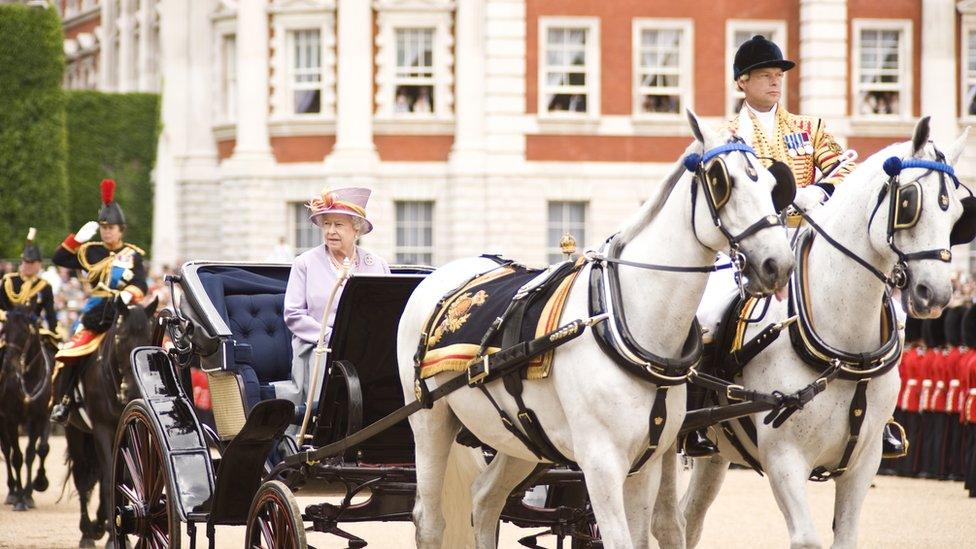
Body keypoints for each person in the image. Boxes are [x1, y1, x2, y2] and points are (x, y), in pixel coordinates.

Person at [49, 179, 147, 424]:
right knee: (70, 352)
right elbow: (59, 258)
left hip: (122, 310)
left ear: (121, 229)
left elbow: (142, 284)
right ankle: (66, 401)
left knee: (145, 344)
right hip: (95, 312)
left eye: (111, 227)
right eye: (103, 227)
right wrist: (76, 240)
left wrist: (129, 293)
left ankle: (149, 394)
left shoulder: (132, 255)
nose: (107, 231)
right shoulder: (89, 251)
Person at [281, 187, 390, 407]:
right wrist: (333, 336)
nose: (330, 231)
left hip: (366, 347)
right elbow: (293, 314)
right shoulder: (305, 263)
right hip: (319, 345)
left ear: (356, 230)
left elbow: (386, 313)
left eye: (338, 225)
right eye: (327, 224)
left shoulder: (377, 265)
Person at [0, 228, 59, 334]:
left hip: (32, 329)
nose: (28, 265)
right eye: (26, 262)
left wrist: (54, 333)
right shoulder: (9, 281)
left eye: (32, 263)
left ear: (39, 264)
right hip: (7, 326)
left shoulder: (44, 286)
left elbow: (50, 314)